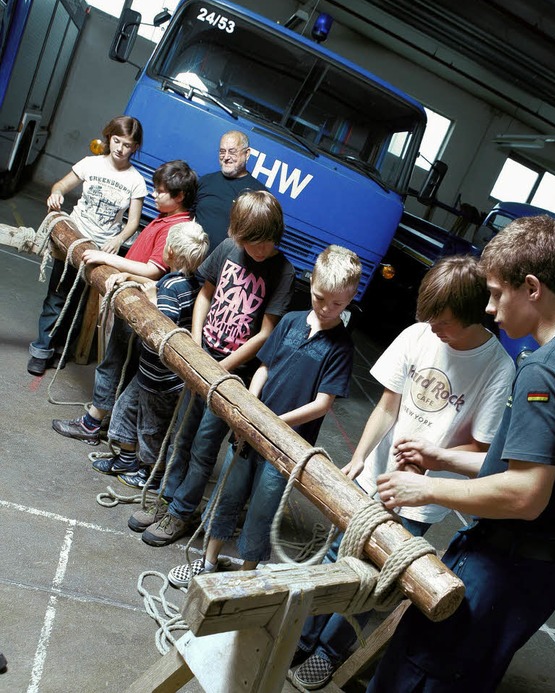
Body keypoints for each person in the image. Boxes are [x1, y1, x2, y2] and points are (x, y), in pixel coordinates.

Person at [366, 215, 555, 693]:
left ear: (532, 288)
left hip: (506, 563)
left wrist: (424, 486)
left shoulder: (544, 371)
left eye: (497, 293)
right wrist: (441, 456)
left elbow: (526, 494)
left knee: (420, 674)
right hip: (543, 567)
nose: (491, 309)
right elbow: (531, 469)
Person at [292, 255, 516, 690]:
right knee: (340, 553)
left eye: (444, 322)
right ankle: (303, 636)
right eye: (429, 318)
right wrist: (360, 456)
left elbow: (483, 450)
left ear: (472, 315)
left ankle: (328, 652)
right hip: (375, 477)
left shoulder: (497, 368)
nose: (433, 328)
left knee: (376, 575)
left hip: (421, 497)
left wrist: (435, 455)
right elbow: (387, 405)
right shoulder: (418, 334)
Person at [166, 245, 362, 587]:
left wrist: (274, 423)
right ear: (312, 281)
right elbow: (264, 367)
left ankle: (245, 580)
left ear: (350, 298)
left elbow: (322, 404)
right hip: (250, 432)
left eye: (338, 304)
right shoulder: (288, 322)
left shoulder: (341, 346)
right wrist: (251, 406)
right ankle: (208, 562)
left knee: (262, 508)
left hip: (287, 447)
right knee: (227, 492)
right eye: (320, 298)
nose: (328, 308)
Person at [128, 189, 296, 547]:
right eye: (251, 244)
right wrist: (196, 342)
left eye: (265, 243)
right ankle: (166, 499)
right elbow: (205, 293)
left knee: (205, 445)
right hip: (202, 360)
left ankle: (182, 511)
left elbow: (266, 332)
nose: (259, 251)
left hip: (232, 378)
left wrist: (221, 366)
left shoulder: (283, 271)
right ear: (238, 234)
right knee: (182, 435)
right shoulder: (227, 249)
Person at [51, 160, 198, 447]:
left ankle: (93, 423)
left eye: (161, 191)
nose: (154, 195)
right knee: (118, 363)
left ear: (180, 196)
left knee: (114, 361)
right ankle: (109, 422)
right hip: (133, 296)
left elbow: (154, 270)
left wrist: (108, 259)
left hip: (141, 304)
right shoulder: (165, 217)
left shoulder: (176, 225)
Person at [90, 220, 209, 484]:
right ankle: (126, 459)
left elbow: (162, 324)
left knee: (151, 427)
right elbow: (164, 287)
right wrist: (135, 278)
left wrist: (149, 300)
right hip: (153, 373)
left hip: (161, 379)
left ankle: (149, 474)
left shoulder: (168, 289)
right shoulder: (190, 283)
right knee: (125, 409)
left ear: (170, 254)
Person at [28, 115, 145, 375]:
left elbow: (133, 222)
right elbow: (60, 185)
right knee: (57, 297)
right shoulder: (91, 163)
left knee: (80, 303)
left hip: (101, 250)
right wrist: (56, 193)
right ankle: (41, 349)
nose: (120, 148)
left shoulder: (136, 180)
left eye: (127, 145)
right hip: (74, 240)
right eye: (116, 141)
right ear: (109, 137)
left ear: (135, 147)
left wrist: (117, 240)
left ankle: (63, 349)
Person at [194, 130, 265, 250]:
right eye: (222, 152)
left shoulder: (259, 194)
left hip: (224, 267)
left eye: (232, 152)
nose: (226, 157)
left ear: (247, 154)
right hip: (188, 262)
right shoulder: (206, 181)